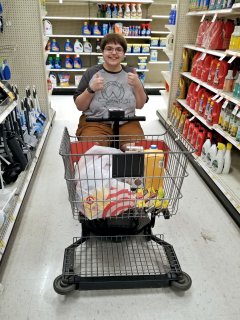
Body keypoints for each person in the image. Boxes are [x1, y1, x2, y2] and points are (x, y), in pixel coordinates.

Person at [73, 33, 149, 146]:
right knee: (94, 151)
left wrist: (138, 85)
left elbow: (140, 105)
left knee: (135, 150)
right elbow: (80, 106)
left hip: (127, 122)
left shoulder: (131, 73)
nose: (114, 53)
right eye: (109, 49)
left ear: (124, 54)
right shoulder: (91, 73)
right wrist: (90, 89)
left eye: (119, 49)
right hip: (95, 121)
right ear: (102, 52)